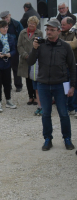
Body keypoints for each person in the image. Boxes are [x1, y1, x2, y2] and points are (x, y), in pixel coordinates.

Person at [27, 19, 76, 151]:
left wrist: (72, 86)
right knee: (46, 114)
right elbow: (30, 62)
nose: (48, 32)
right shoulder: (41, 45)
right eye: (47, 29)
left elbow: (72, 67)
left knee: (64, 114)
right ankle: (48, 139)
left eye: (52, 30)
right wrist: (34, 48)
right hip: (43, 84)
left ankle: (67, 138)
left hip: (60, 85)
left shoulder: (65, 47)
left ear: (59, 31)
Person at [17, 16, 43, 115]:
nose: (31, 25)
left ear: (36, 25)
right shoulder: (22, 32)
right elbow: (19, 45)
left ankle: (36, 97)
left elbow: (40, 45)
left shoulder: (39, 33)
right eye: (30, 23)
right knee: (27, 78)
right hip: (25, 59)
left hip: (35, 59)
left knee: (34, 77)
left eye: (33, 23)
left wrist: (32, 55)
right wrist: (25, 55)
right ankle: (30, 97)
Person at [0, 11, 24, 92]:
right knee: (6, 69)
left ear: (10, 15)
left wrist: (17, 45)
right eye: (3, 18)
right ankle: (8, 85)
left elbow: (22, 35)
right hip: (4, 50)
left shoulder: (16, 24)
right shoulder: (0, 25)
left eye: (6, 17)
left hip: (14, 49)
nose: (5, 19)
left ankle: (18, 85)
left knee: (16, 68)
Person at [59, 17, 77, 118]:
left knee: (74, 86)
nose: (61, 27)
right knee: (66, 86)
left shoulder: (74, 33)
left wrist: (61, 42)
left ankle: (74, 107)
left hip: (73, 64)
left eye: (63, 25)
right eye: (61, 25)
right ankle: (69, 107)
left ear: (70, 25)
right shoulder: (60, 33)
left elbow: (74, 45)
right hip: (63, 65)